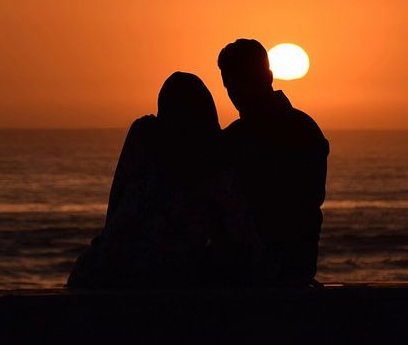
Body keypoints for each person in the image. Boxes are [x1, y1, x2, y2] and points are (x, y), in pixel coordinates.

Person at [67, 71, 274, 288]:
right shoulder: (214, 170)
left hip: (104, 270)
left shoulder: (145, 140)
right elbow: (244, 239)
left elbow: (115, 208)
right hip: (156, 278)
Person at [216, 39, 329, 285]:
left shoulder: (236, 140)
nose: (235, 92)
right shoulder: (304, 128)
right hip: (293, 266)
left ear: (267, 77)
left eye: (241, 81)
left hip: (265, 271)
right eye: (230, 85)